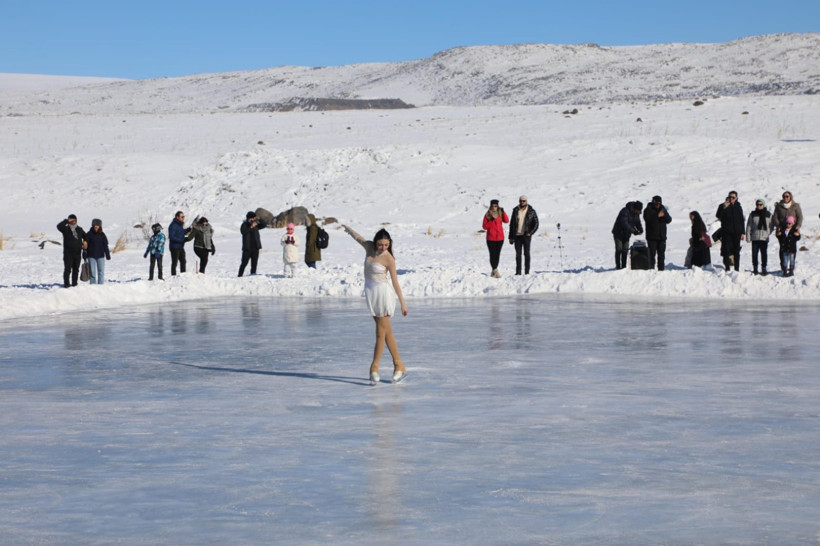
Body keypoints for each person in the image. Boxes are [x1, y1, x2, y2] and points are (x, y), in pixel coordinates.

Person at [342, 224, 408, 385]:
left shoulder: (389, 258)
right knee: (386, 333)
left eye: (386, 245)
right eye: (380, 244)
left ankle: (374, 368)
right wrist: (348, 228)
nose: (383, 247)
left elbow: (395, 282)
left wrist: (403, 303)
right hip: (371, 294)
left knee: (380, 333)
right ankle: (399, 366)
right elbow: (359, 238)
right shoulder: (369, 247)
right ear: (375, 242)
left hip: (384, 295)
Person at [772, 191, 803, 272]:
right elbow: (774, 217)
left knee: (792, 247)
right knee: (782, 248)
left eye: (787, 196)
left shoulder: (795, 206)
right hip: (781, 230)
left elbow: (800, 217)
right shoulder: (779, 206)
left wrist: (798, 226)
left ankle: (792, 265)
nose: (785, 198)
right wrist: (779, 226)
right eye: (784, 196)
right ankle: (783, 265)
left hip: (792, 229)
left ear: (790, 197)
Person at [508, 195, 539, 275]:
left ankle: (527, 272)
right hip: (517, 235)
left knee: (526, 253)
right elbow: (512, 224)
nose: (522, 202)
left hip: (526, 235)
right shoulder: (515, 210)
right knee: (518, 254)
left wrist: (530, 232)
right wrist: (511, 237)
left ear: (526, 201)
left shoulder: (531, 211)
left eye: (524, 201)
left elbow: (536, 223)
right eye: (521, 201)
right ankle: (518, 272)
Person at [715, 191, 745, 271]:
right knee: (726, 250)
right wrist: (724, 207)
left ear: (736, 198)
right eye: (730, 197)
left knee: (736, 250)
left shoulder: (738, 207)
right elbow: (718, 215)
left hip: (736, 232)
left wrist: (743, 232)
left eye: (733, 197)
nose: (731, 199)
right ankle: (727, 268)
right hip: (726, 232)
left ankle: (736, 268)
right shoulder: (723, 205)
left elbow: (741, 220)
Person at [57, 214, 87, 287]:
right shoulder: (66, 229)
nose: (73, 221)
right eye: (71, 219)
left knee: (76, 269)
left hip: (77, 253)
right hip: (68, 253)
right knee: (68, 269)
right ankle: (67, 285)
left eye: (74, 220)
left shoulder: (79, 229)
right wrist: (66, 221)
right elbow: (59, 226)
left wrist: (85, 241)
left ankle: (74, 284)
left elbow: (86, 236)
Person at [611, 201, 643, 269]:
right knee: (619, 249)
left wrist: (640, 229)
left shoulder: (636, 214)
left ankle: (623, 266)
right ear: (635, 208)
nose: (638, 212)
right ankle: (618, 266)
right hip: (618, 233)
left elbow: (638, 223)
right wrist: (634, 231)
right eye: (638, 210)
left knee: (625, 250)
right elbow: (625, 224)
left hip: (627, 234)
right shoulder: (625, 211)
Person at [643, 195, 672, 271]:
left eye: (659, 203)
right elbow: (648, 219)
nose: (658, 205)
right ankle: (651, 270)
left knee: (661, 255)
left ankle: (661, 270)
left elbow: (669, 220)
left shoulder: (663, 209)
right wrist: (657, 216)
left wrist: (664, 215)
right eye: (657, 204)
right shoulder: (648, 210)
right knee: (652, 255)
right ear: (653, 203)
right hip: (652, 237)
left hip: (661, 237)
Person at [745, 198, 772, 275]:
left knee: (764, 254)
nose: (759, 206)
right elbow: (749, 226)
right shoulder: (753, 214)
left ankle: (764, 268)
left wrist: (768, 232)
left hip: (764, 237)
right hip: (755, 237)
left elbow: (771, 225)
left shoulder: (768, 214)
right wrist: (748, 236)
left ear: (763, 205)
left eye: (760, 204)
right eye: (757, 205)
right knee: (754, 254)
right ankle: (755, 268)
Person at [483, 199, 509, 278]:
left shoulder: (500, 213)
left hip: (500, 238)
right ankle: (495, 270)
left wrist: (503, 212)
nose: (494, 207)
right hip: (491, 238)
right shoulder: (487, 215)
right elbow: (484, 226)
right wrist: (491, 220)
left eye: (496, 206)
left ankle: (494, 271)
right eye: (493, 206)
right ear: (490, 206)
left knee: (497, 255)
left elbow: (507, 221)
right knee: (492, 254)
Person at [238, 211, 267, 277]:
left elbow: (264, 225)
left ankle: (252, 275)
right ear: (249, 218)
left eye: (254, 218)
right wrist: (251, 227)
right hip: (247, 248)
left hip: (255, 247)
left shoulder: (256, 224)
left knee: (254, 263)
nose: (253, 219)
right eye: (252, 218)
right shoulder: (244, 224)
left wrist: (260, 219)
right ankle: (239, 275)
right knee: (244, 263)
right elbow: (243, 231)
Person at [84, 218, 111, 284]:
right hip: (91, 256)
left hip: (100, 256)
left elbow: (105, 245)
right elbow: (85, 245)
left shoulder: (102, 235)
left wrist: (107, 254)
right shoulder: (89, 234)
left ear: (100, 226)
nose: (96, 226)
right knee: (92, 273)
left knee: (101, 272)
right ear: (93, 225)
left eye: (97, 225)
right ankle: (93, 287)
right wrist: (84, 253)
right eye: (95, 225)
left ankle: (100, 287)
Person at [168, 211, 193, 276]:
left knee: (183, 261)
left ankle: (183, 276)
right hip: (174, 247)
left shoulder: (179, 225)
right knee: (174, 263)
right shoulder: (173, 225)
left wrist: (187, 230)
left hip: (180, 246)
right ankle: (173, 277)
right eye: (182, 217)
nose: (183, 218)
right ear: (177, 217)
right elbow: (172, 237)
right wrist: (182, 240)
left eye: (183, 216)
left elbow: (180, 232)